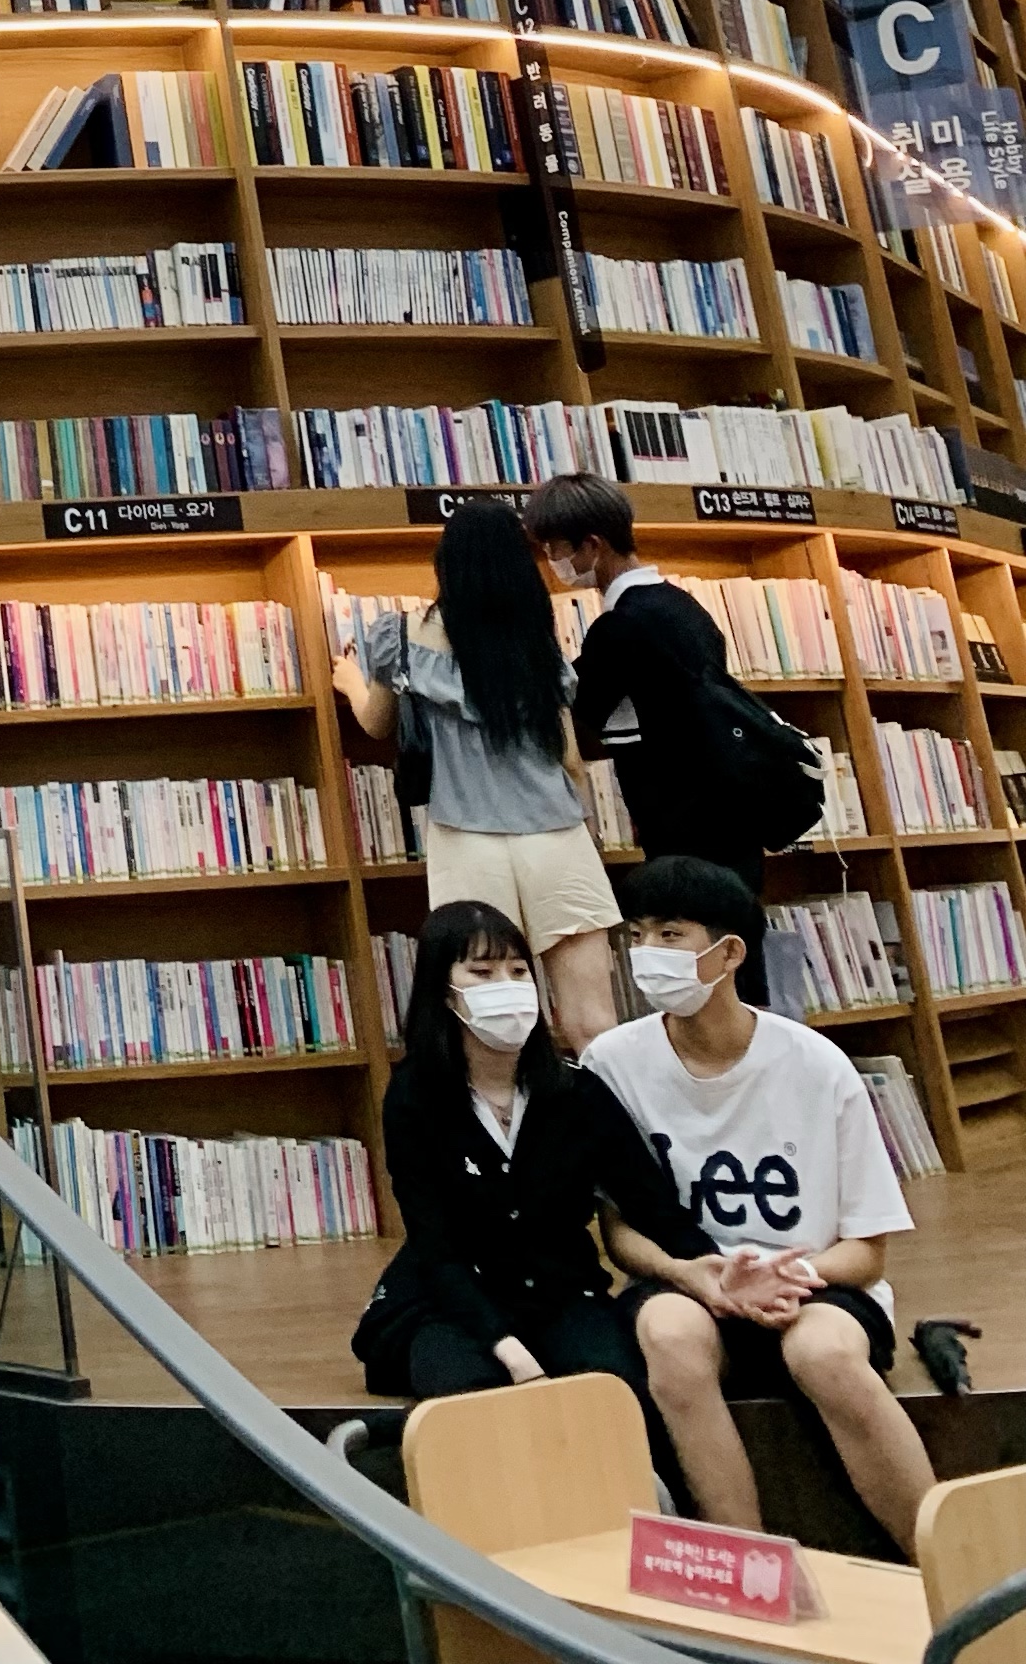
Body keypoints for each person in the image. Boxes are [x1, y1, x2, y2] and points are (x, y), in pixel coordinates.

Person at [589, 858, 936, 1555]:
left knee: (827, 1355)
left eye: (671, 934)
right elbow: (620, 1233)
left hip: (812, 1289)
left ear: (730, 952)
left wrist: (784, 1279)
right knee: (670, 1339)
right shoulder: (610, 1062)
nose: (647, 953)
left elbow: (867, 1251)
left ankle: (948, 1564)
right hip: (689, 1284)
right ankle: (744, 1572)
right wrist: (695, 1276)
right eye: (637, 935)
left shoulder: (817, 1065)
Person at [357, 901, 705, 1424]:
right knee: (469, 1402)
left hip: (561, 1294)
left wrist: (714, 1268)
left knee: (616, 1394)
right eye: (481, 971)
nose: (507, 984)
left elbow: (651, 1202)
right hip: (453, 1301)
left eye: (518, 971)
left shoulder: (577, 1091)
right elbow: (435, 1243)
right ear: (443, 990)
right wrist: (507, 1348)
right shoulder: (414, 1098)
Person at [334, 501, 623, 1049]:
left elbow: (377, 724)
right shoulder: (537, 643)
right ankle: (606, 1129)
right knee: (592, 1024)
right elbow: (568, 759)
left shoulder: (402, 634)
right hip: (555, 835)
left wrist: (350, 678)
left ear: (446, 564)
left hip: (467, 838)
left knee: (491, 1023)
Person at [523, 475, 761, 912]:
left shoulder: (623, 626)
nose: (551, 560)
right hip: (731, 814)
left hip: (682, 823)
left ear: (592, 545)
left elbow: (573, 714)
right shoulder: (684, 606)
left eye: (555, 547)